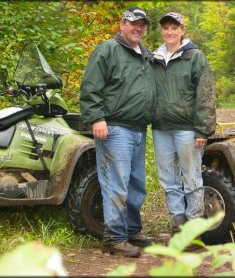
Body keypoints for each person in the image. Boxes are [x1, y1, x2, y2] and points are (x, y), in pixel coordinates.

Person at [79, 7, 156, 258]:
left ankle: (132, 230)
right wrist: (97, 118)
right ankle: (114, 238)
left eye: (142, 25)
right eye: (134, 23)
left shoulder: (145, 54)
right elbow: (91, 87)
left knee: (136, 184)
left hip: (138, 129)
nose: (138, 28)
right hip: (114, 128)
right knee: (116, 183)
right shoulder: (107, 50)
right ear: (122, 24)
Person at [151, 12, 216, 242]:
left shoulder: (195, 57)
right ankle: (178, 227)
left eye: (174, 28)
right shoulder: (155, 58)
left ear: (182, 30)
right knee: (168, 180)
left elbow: (206, 94)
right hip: (161, 128)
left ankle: (194, 231)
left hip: (187, 129)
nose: (169, 32)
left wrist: (203, 130)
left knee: (191, 178)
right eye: (166, 28)